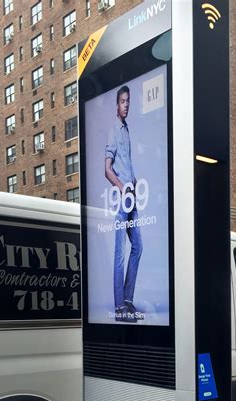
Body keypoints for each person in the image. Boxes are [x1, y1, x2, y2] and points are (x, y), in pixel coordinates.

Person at [105, 85, 143, 323]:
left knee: (138, 246)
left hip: (132, 196)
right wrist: (123, 186)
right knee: (120, 253)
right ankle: (119, 308)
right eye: (122, 101)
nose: (126, 105)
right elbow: (106, 170)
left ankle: (127, 300)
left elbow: (125, 164)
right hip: (122, 198)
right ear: (116, 105)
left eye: (128, 101)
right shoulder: (113, 130)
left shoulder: (127, 129)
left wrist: (134, 181)